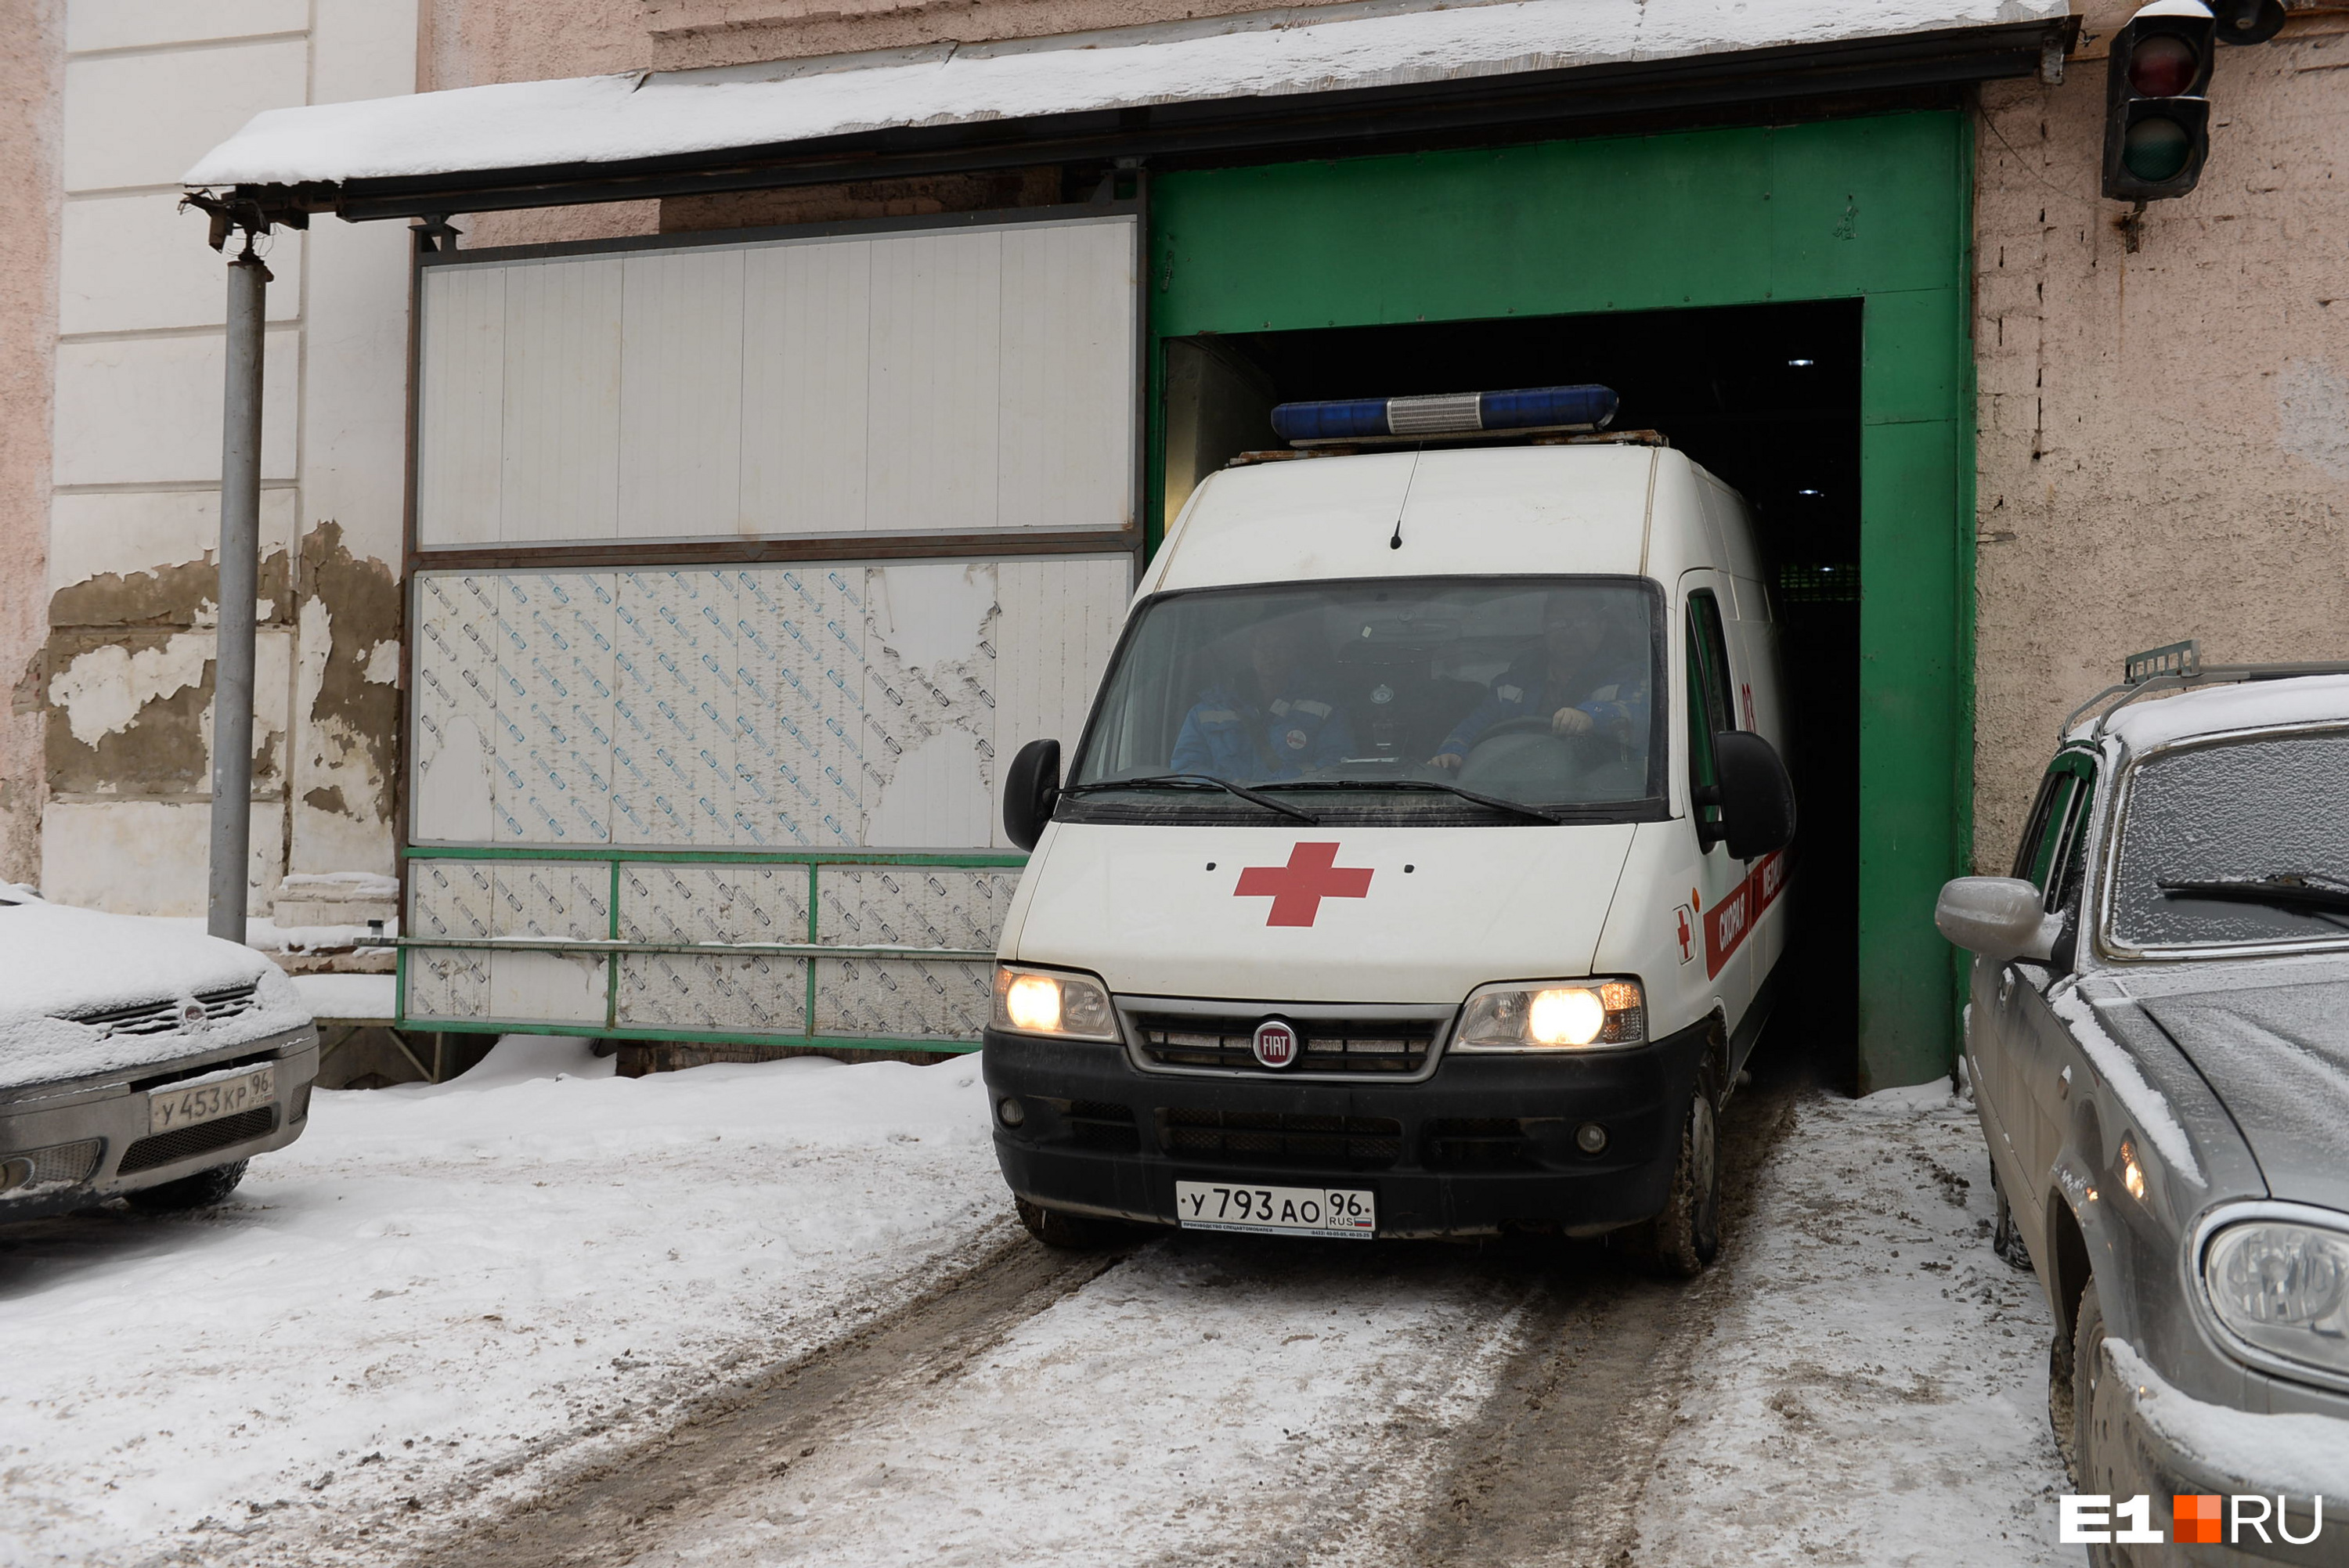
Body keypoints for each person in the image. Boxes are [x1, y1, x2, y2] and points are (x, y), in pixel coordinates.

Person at [1430, 596, 1647, 770]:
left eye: (1582, 620)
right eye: (1558, 622)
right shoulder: (1511, 686)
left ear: (1602, 626)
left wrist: (1590, 716)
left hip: (1598, 799)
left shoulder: (1628, 676)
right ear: (1545, 627)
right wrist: (1452, 752)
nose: (1569, 630)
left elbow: (1636, 717)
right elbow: (1471, 729)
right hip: (1513, 794)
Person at [1170, 614, 1355, 782]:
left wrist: (1281, 783)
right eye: (1263, 646)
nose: (1270, 654)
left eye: (1280, 647)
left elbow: (1337, 765)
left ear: (1295, 653)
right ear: (1251, 652)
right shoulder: (1208, 709)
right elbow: (1187, 768)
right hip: (1223, 810)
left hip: (1297, 810)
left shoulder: (1324, 709)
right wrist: (1230, 787)